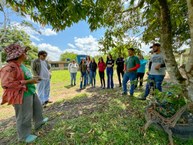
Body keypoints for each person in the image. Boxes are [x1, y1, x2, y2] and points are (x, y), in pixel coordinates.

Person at [0, 44, 48, 143]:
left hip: (30, 91)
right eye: (24, 52)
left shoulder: (21, 65)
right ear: (18, 54)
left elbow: (25, 77)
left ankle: (39, 122)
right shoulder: (9, 67)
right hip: (20, 95)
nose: (26, 54)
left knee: (37, 107)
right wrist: (28, 82)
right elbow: (6, 84)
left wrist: (32, 80)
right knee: (24, 115)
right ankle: (24, 136)